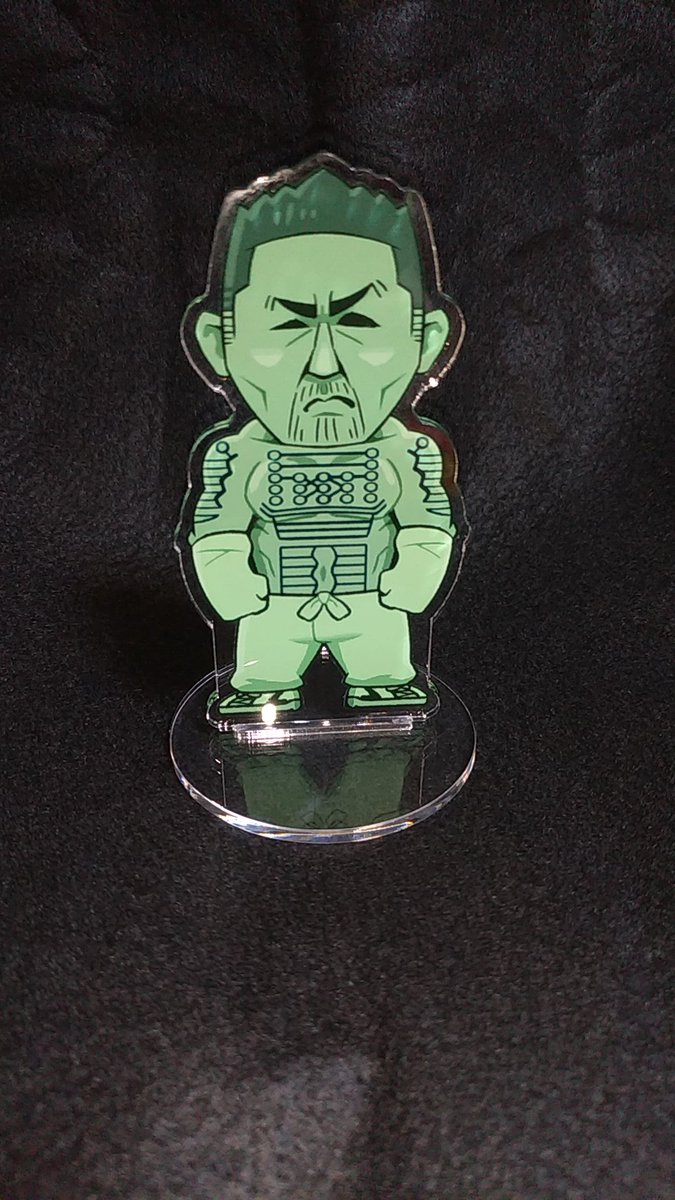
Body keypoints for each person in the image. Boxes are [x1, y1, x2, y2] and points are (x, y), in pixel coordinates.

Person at [176, 154, 465, 716]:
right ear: (218, 342)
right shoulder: (236, 458)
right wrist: (229, 577)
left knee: (385, 664)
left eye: (360, 322)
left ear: (426, 340)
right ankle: (263, 688)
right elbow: (217, 527)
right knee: (263, 669)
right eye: (286, 324)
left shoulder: (408, 454)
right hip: (274, 608)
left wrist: (416, 568)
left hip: (372, 604)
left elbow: (428, 522)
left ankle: (382, 683)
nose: (324, 363)